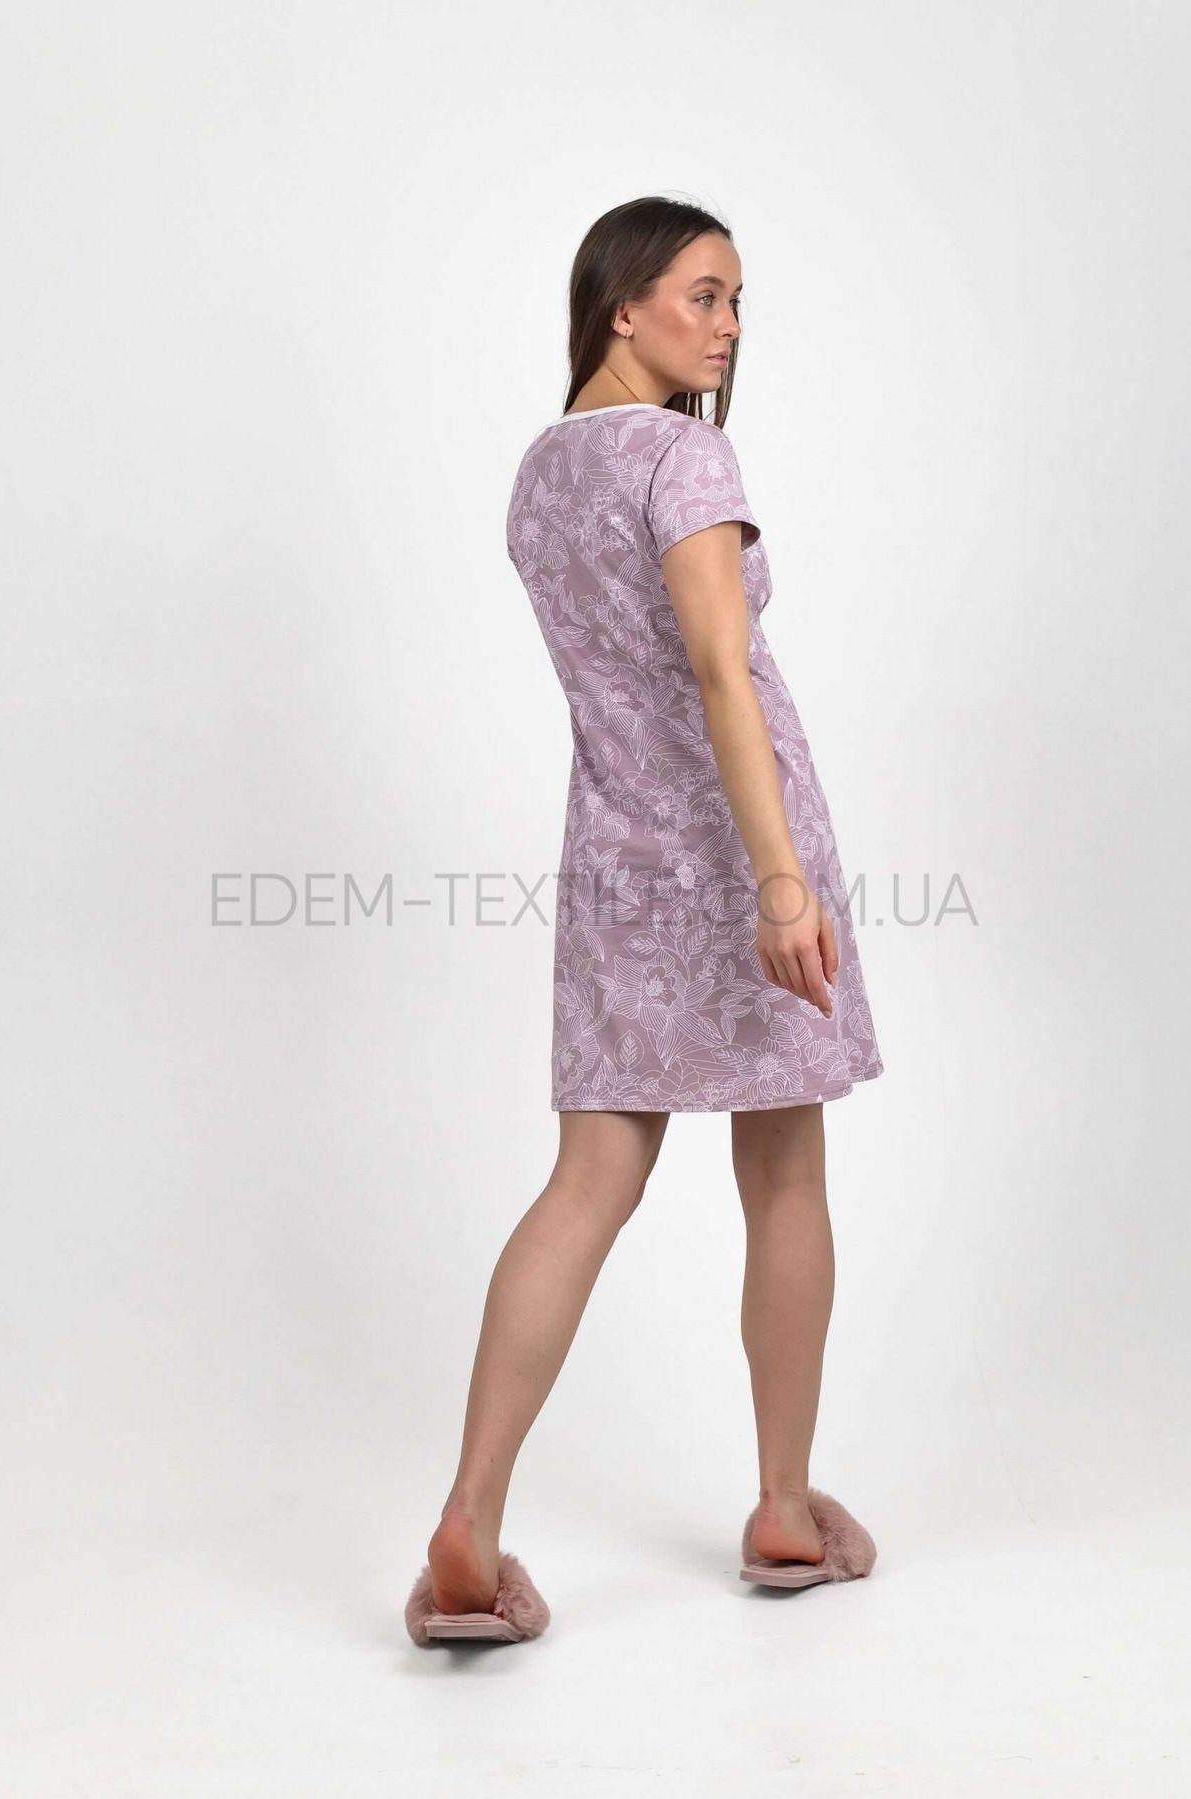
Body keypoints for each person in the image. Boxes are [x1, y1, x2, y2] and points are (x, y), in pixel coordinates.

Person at [405, 196, 884, 1645]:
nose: (728, 326)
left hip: (616, 854)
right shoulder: (685, 454)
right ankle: (783, 1507)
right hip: (738, 854)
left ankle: (470, 1517)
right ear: (622, 305)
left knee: (588, 1181)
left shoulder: (542, 473)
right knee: (784, 1173)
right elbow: (721, 673)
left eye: (738, 302)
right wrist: (779, 879)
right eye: (703, 294)